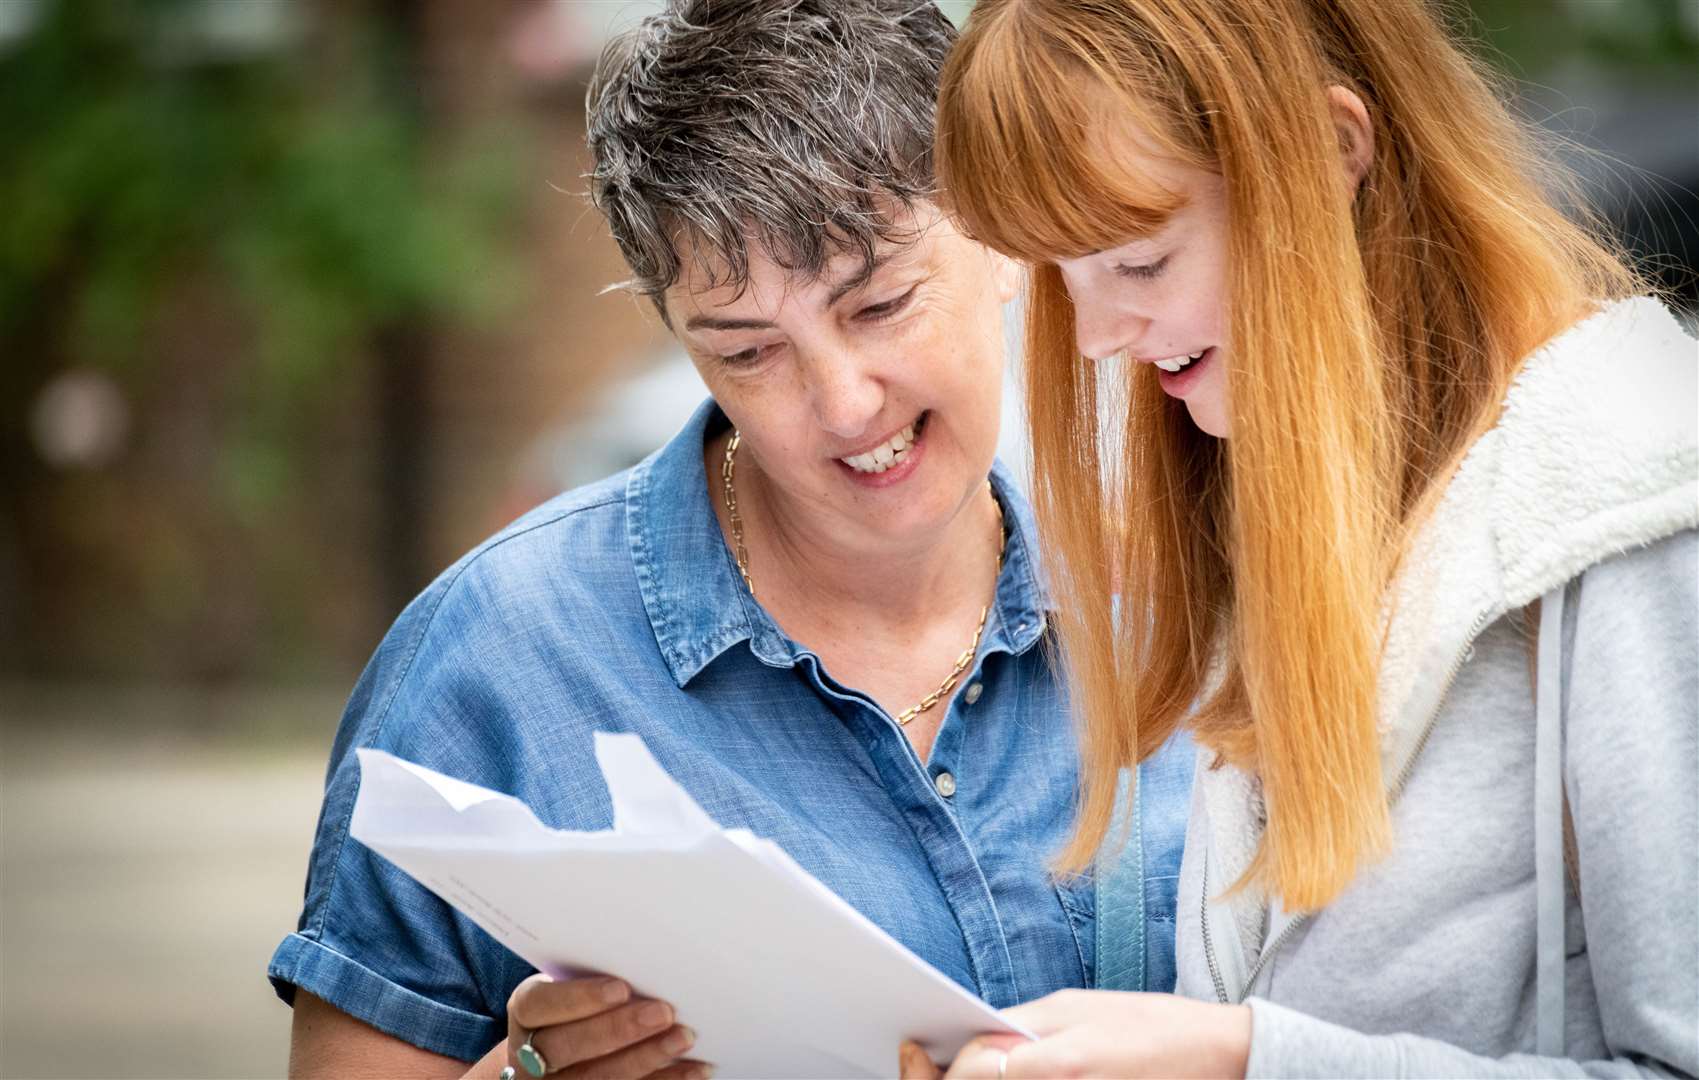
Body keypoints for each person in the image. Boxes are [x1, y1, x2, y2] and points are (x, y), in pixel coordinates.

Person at [271, 3, 1195, 1079]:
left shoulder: (1181, 607)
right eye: (750, 351)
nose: (844, 404)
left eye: (880, 304)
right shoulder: (496, 659)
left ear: (998, 238)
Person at [900, 0, 1698, 1076]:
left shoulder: (1637, 489)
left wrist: (1240, 1058)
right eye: (1060, 276)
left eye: (1138, 263)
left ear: (1329, 150)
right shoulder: (1265, 497)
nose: (1094, 339)